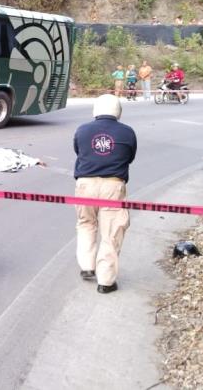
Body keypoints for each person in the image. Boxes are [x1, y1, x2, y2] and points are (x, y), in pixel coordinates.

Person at [73, 94, 137, 294]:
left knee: (86, 223)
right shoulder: (127, 133)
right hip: (112, 185)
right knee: (111, 232)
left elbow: (79, 151)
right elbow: (130, 156)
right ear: (118, 111)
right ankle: (106, 281)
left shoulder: (82, 130)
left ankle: (87, 266)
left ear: (96, 110)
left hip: (85, 184)